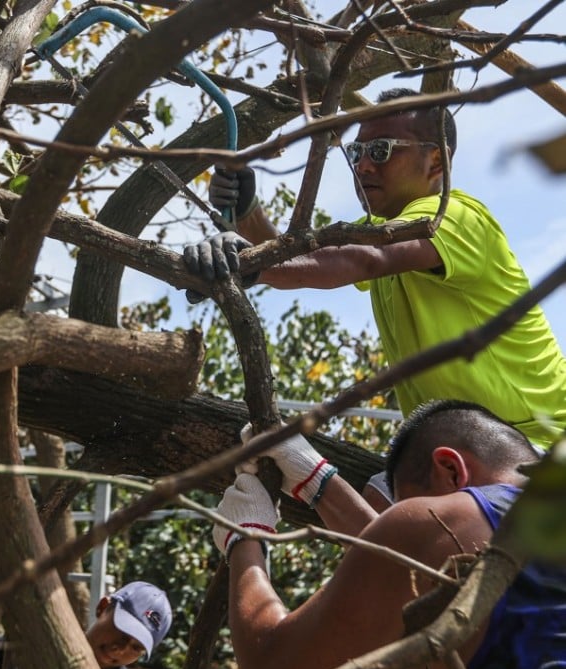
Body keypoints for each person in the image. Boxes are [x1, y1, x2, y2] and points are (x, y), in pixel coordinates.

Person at [184, 87, 566, 454]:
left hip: (540, 443)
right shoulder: (377, 237)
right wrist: (248, 213)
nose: (364, 164)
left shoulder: (452, 217)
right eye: (358, 150)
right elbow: (305, 265)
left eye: (381, 150)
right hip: (461, 450)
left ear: (436, 162)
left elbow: (358, 260)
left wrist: (246, 261)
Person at [213, 400, 566, 669]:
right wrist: (319, 483)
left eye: (413, 505)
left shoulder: (447, 523)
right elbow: (413, 573)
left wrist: (245, 537)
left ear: (451, 469)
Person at [0, 581, 172, 669]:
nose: (120, 649)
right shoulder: (28, 650)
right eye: (122, 631)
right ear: (103, 608)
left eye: (136, 647)